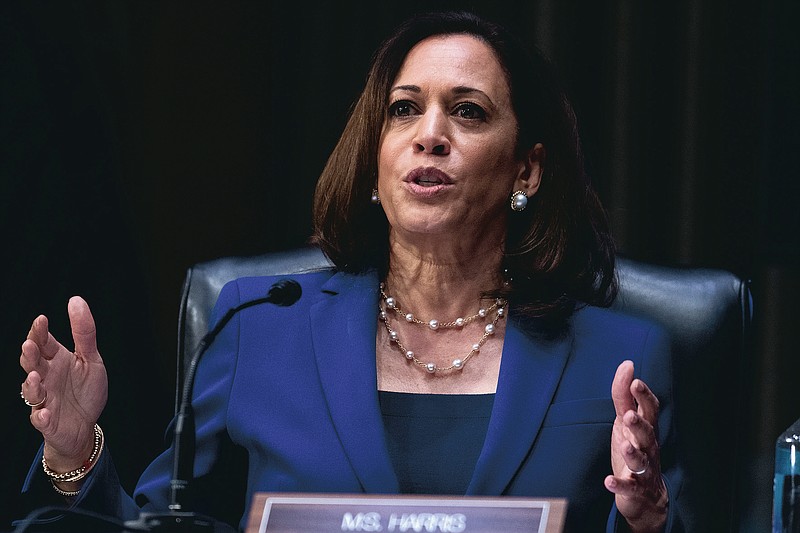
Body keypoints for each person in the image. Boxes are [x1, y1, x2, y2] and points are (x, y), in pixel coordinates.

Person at [18, 11, 683, 532]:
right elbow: (161, 526)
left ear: (527, 171)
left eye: (468, 110)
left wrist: (647, 518)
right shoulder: (260, 327)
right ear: (375, 162)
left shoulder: (618, 358)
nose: (430, 133)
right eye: (403, 109)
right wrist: (76, 455)